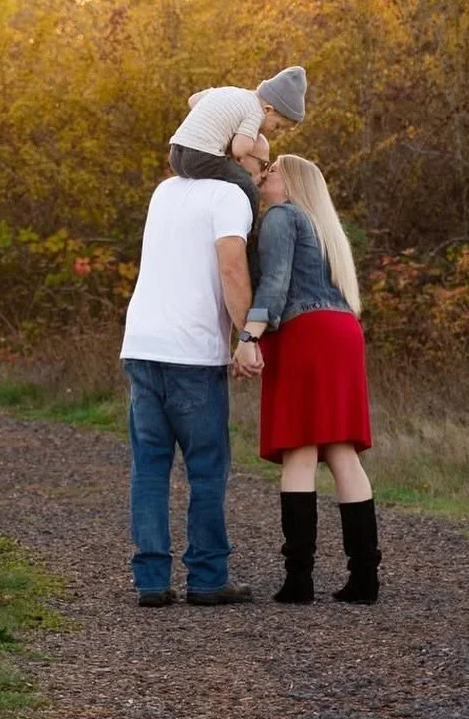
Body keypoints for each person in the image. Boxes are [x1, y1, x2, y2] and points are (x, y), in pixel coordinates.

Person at [235, 154, 380, 605]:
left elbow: (275, 283)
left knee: (300, 449)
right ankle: (364, 578)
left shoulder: (282, 215)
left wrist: (248, 335)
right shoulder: (323, 227)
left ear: (293, 182)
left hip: (306, 335)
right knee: (341, 451)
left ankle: (299, 578)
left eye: (272, 171)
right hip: (342, 334)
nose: (264, 176)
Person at [119, 157, 263, 607]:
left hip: (141, 344)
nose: (260, 173)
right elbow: (232, 270)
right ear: (236, 160)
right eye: (259, 161)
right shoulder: (230, 196)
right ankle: (207, 576)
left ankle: (152, 580)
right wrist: (247, 335)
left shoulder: (165, 191)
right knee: (206, 466)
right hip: (191, 351)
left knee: (150, 467)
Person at [167, 66, 307, 218]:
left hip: (175, 154)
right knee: (248, 186)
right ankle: (250, 229)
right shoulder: (255, 112)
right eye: (277, 126)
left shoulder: (227, 91)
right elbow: (239, 149)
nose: (274, 131)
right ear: (268, 109)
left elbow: (193, 100)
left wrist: (220, 121)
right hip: (200, 157)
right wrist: (246, 136)